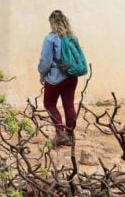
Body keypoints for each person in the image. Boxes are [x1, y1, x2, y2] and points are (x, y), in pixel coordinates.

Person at [37, 10, 79, 148]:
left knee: (49, 104)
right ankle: (70, 135)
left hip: (56, 77)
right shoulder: (73, 37)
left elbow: (45, 60)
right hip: (72, 76)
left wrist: (42, 74)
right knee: (69, 105)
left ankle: (61, 133)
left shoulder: (51, 38)